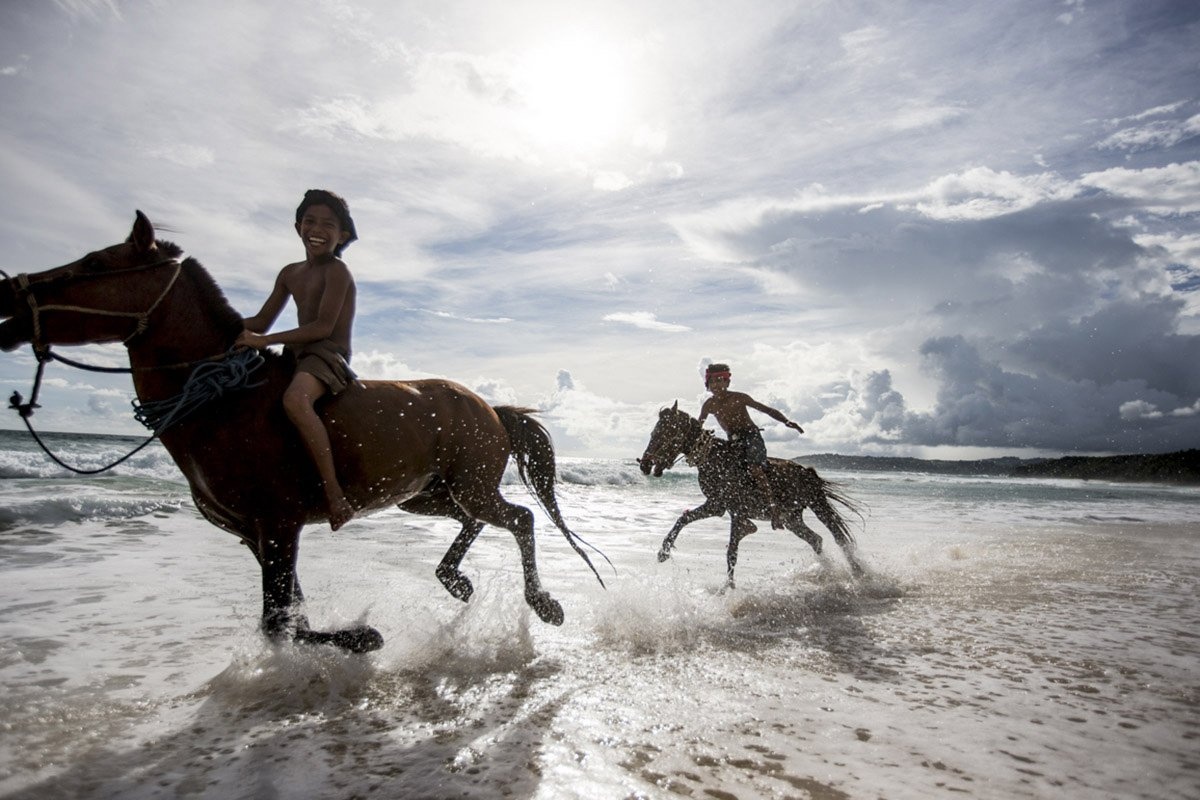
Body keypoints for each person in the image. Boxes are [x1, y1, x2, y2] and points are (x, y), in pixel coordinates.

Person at [236, 189, 360, 531]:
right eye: (309, 221)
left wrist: (263, 341)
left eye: (327, 224)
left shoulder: (338, 272)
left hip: (326, 353)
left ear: (342, 235)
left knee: (295, 399)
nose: (316, 229)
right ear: (298, 227)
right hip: (295, 355)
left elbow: (322, 327)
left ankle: (335, 495)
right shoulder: (289, 272)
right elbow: (260, 321)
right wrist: (218, 324)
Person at [697, 363, 804, 530]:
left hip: (752, 437)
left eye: (720, 381)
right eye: (712, 382)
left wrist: (786, 421)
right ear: (708, 385)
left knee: (754, 468)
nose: (716, 385)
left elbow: (767, 410)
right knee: (725, 469)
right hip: (733, 442)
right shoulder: (709, 405)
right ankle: (736, 507)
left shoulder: (739, 397)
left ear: (727, 382)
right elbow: (699, 425)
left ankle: (773, 508)